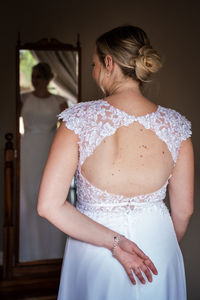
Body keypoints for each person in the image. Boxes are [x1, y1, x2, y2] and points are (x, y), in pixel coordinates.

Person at [37, 26, 194, 299]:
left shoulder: (77, 120)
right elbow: (183, 212)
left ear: (108, 63)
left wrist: (116, 243)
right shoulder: (178, 127)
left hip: (95, 252)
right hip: (157, 252)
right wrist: (159, 247)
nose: (94, 71)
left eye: (94, 64)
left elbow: (49, 206)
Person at [20, 62, 68, 261]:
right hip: (28, 150)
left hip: (50, 150)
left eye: (38, 76)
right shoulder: (23, 98)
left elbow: (67, 131)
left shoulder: (60, 101)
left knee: (50, 195)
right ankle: (29, 252)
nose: (34, 80)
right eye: (33, 75)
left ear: (47, 78)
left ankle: (53, 251)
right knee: (29, 197)